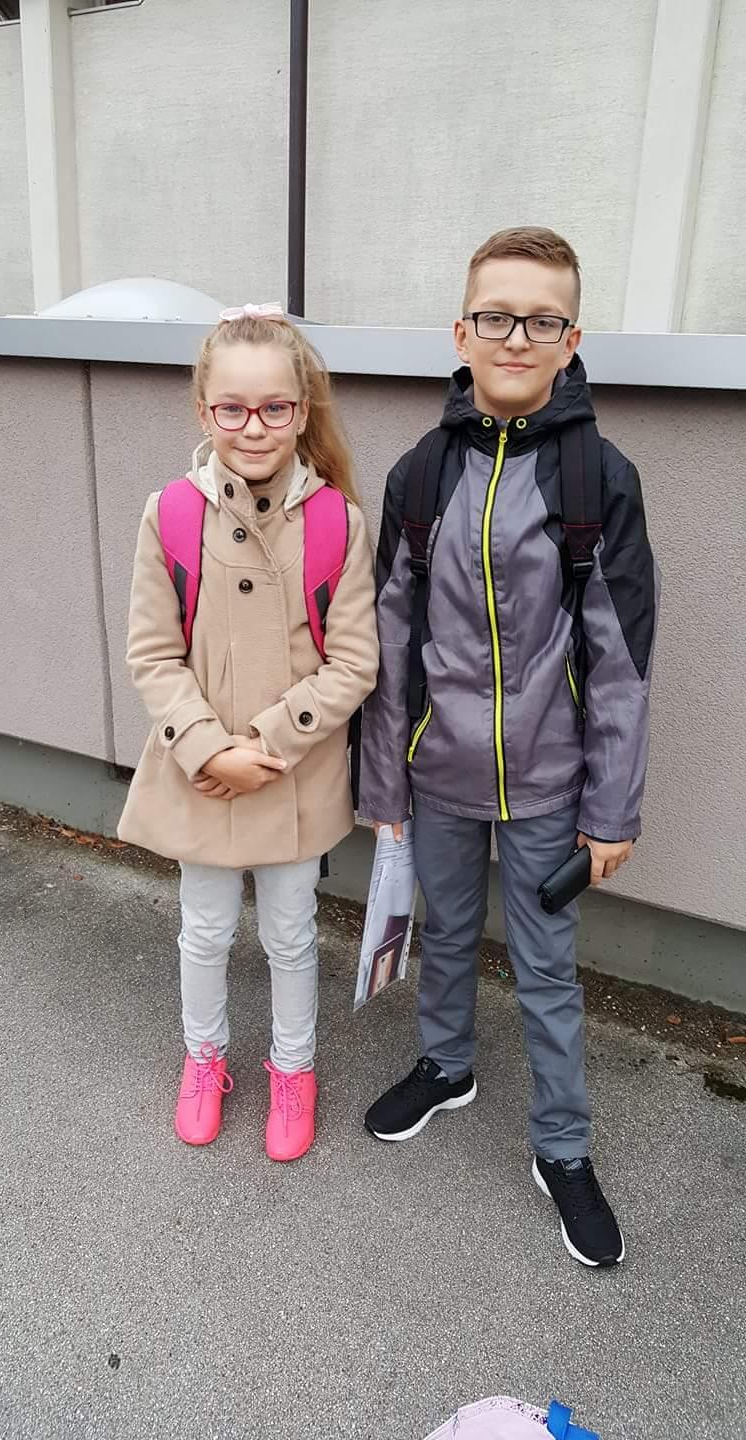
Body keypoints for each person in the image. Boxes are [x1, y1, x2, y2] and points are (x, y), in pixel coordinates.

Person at [359, 229, 660, 1266]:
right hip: (436, 775)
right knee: (445, 933)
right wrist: (382, 785)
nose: (516, 337)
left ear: (571, 339)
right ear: (462, 333)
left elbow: (620, 661)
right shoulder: (420, 473)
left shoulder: (596, 478)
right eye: (496, 316)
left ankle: (562, 1147)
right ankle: (446, 1066)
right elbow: (389, 639)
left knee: (545, 969)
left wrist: (610, 810)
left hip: (548, 784)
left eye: (541, 320)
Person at [119, 305, 379, 1162]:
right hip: (199, 770)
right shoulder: (171, 513)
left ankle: (293, 1070)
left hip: (291, 774)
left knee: (291, 933)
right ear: (204, 410)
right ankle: (204, 1060)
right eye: (232, 407)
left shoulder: (337, 521)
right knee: (203, 928)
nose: (253, 426)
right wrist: (208, 747)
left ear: (302, 412)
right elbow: (152, 652)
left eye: (274, 407)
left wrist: (265, 745)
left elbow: (354, 661)